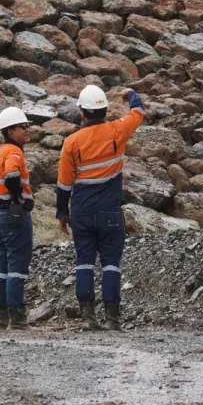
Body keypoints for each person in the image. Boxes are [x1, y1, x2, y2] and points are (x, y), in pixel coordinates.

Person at [56, 84, 146, 331]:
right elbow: (138, 113)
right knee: (111, 263)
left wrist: (62, 213)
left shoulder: (71, 142)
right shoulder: (117, 130)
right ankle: (113, 318)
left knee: (84, 261)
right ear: (105, 109)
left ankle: (88, 316)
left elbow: (64, 184)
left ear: (82, 113)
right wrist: (132, 95)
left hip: (82, 211)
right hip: (110, 211)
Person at [0, 106, 34, 330]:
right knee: (17, 265)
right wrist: (20, 200)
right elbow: (12, 175)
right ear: (10, 130)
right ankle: (17, 316)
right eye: (23, 127)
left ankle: (0, 316)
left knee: (2, 266)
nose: (27, 131)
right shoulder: (14, 152)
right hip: (13, 215)